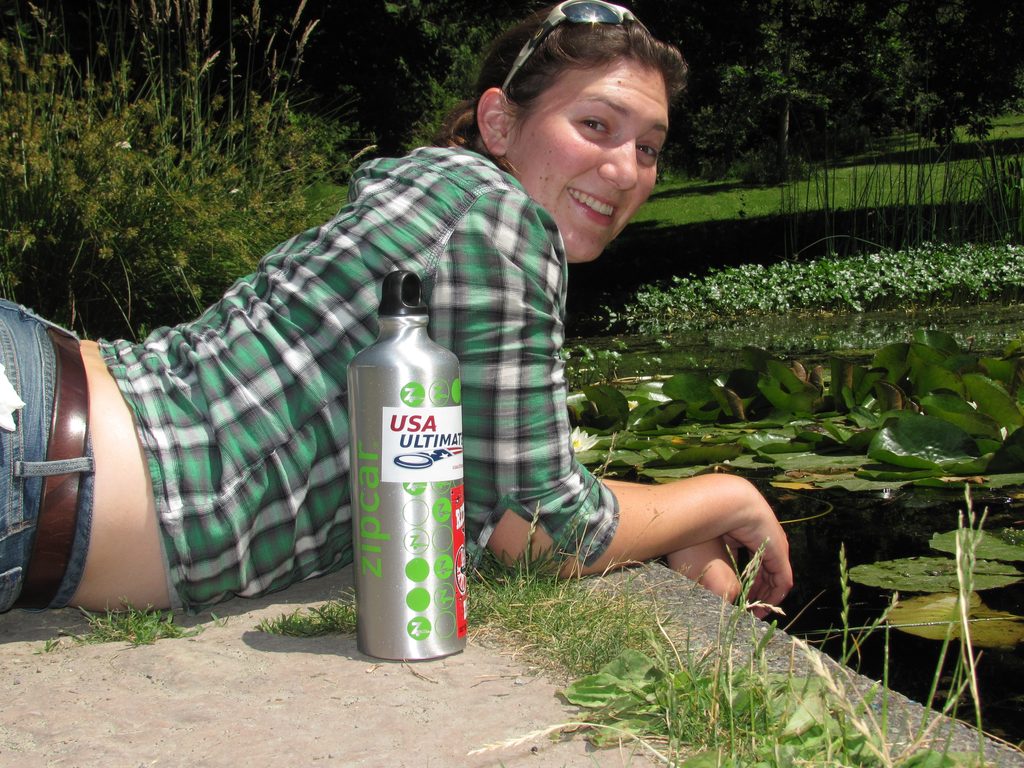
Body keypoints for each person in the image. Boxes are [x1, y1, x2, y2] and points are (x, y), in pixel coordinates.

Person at [0, 1, 792, 619]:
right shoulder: (499, 217)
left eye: (648, 147)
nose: (624, 170)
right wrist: (726, 496)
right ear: (499, 123)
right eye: (595, 125)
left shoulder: (437, 192)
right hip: (35, 454)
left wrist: (667, 527)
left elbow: (499, 498)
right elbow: (543, 534)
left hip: (43, 401)